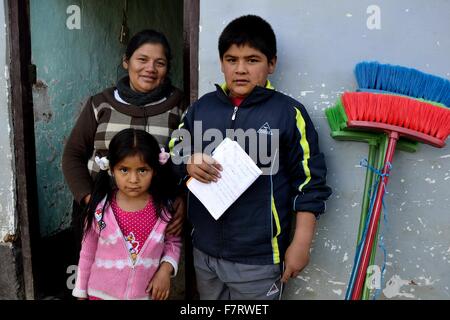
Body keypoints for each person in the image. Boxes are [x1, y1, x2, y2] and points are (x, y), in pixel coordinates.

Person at [170, 15, 332, 300]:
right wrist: (188, 161)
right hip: (204, 252)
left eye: (252, 60)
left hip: (259, 258)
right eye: (231, 60)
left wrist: (301, 244)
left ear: (272, 63)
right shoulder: (201, 109)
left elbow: (309, 183)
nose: (240, 70)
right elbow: (174, 149)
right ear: (221, 63)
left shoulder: (288, 113)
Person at [62, 29, 186, 257]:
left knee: (143, 283)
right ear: (126, 61)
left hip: (154, 217)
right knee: (98, 279)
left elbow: (187, 160)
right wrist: (92, 203)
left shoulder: (180, 106)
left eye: (160, 63)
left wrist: (182, 198)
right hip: (97, 212)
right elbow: (73, 155)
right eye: (142, 59)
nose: (150, 68)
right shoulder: (101, 103)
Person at [72, 128, 181, 300]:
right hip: (99, 295)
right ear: (111, 169)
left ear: (155, 170)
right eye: (124, 170)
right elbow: (87, 251)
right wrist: (81, 293)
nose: (133, 180)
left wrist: (165, 269)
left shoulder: (163, 209)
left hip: (144, 296)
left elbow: (173, 242)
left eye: (142, 170)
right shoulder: (100, 209)